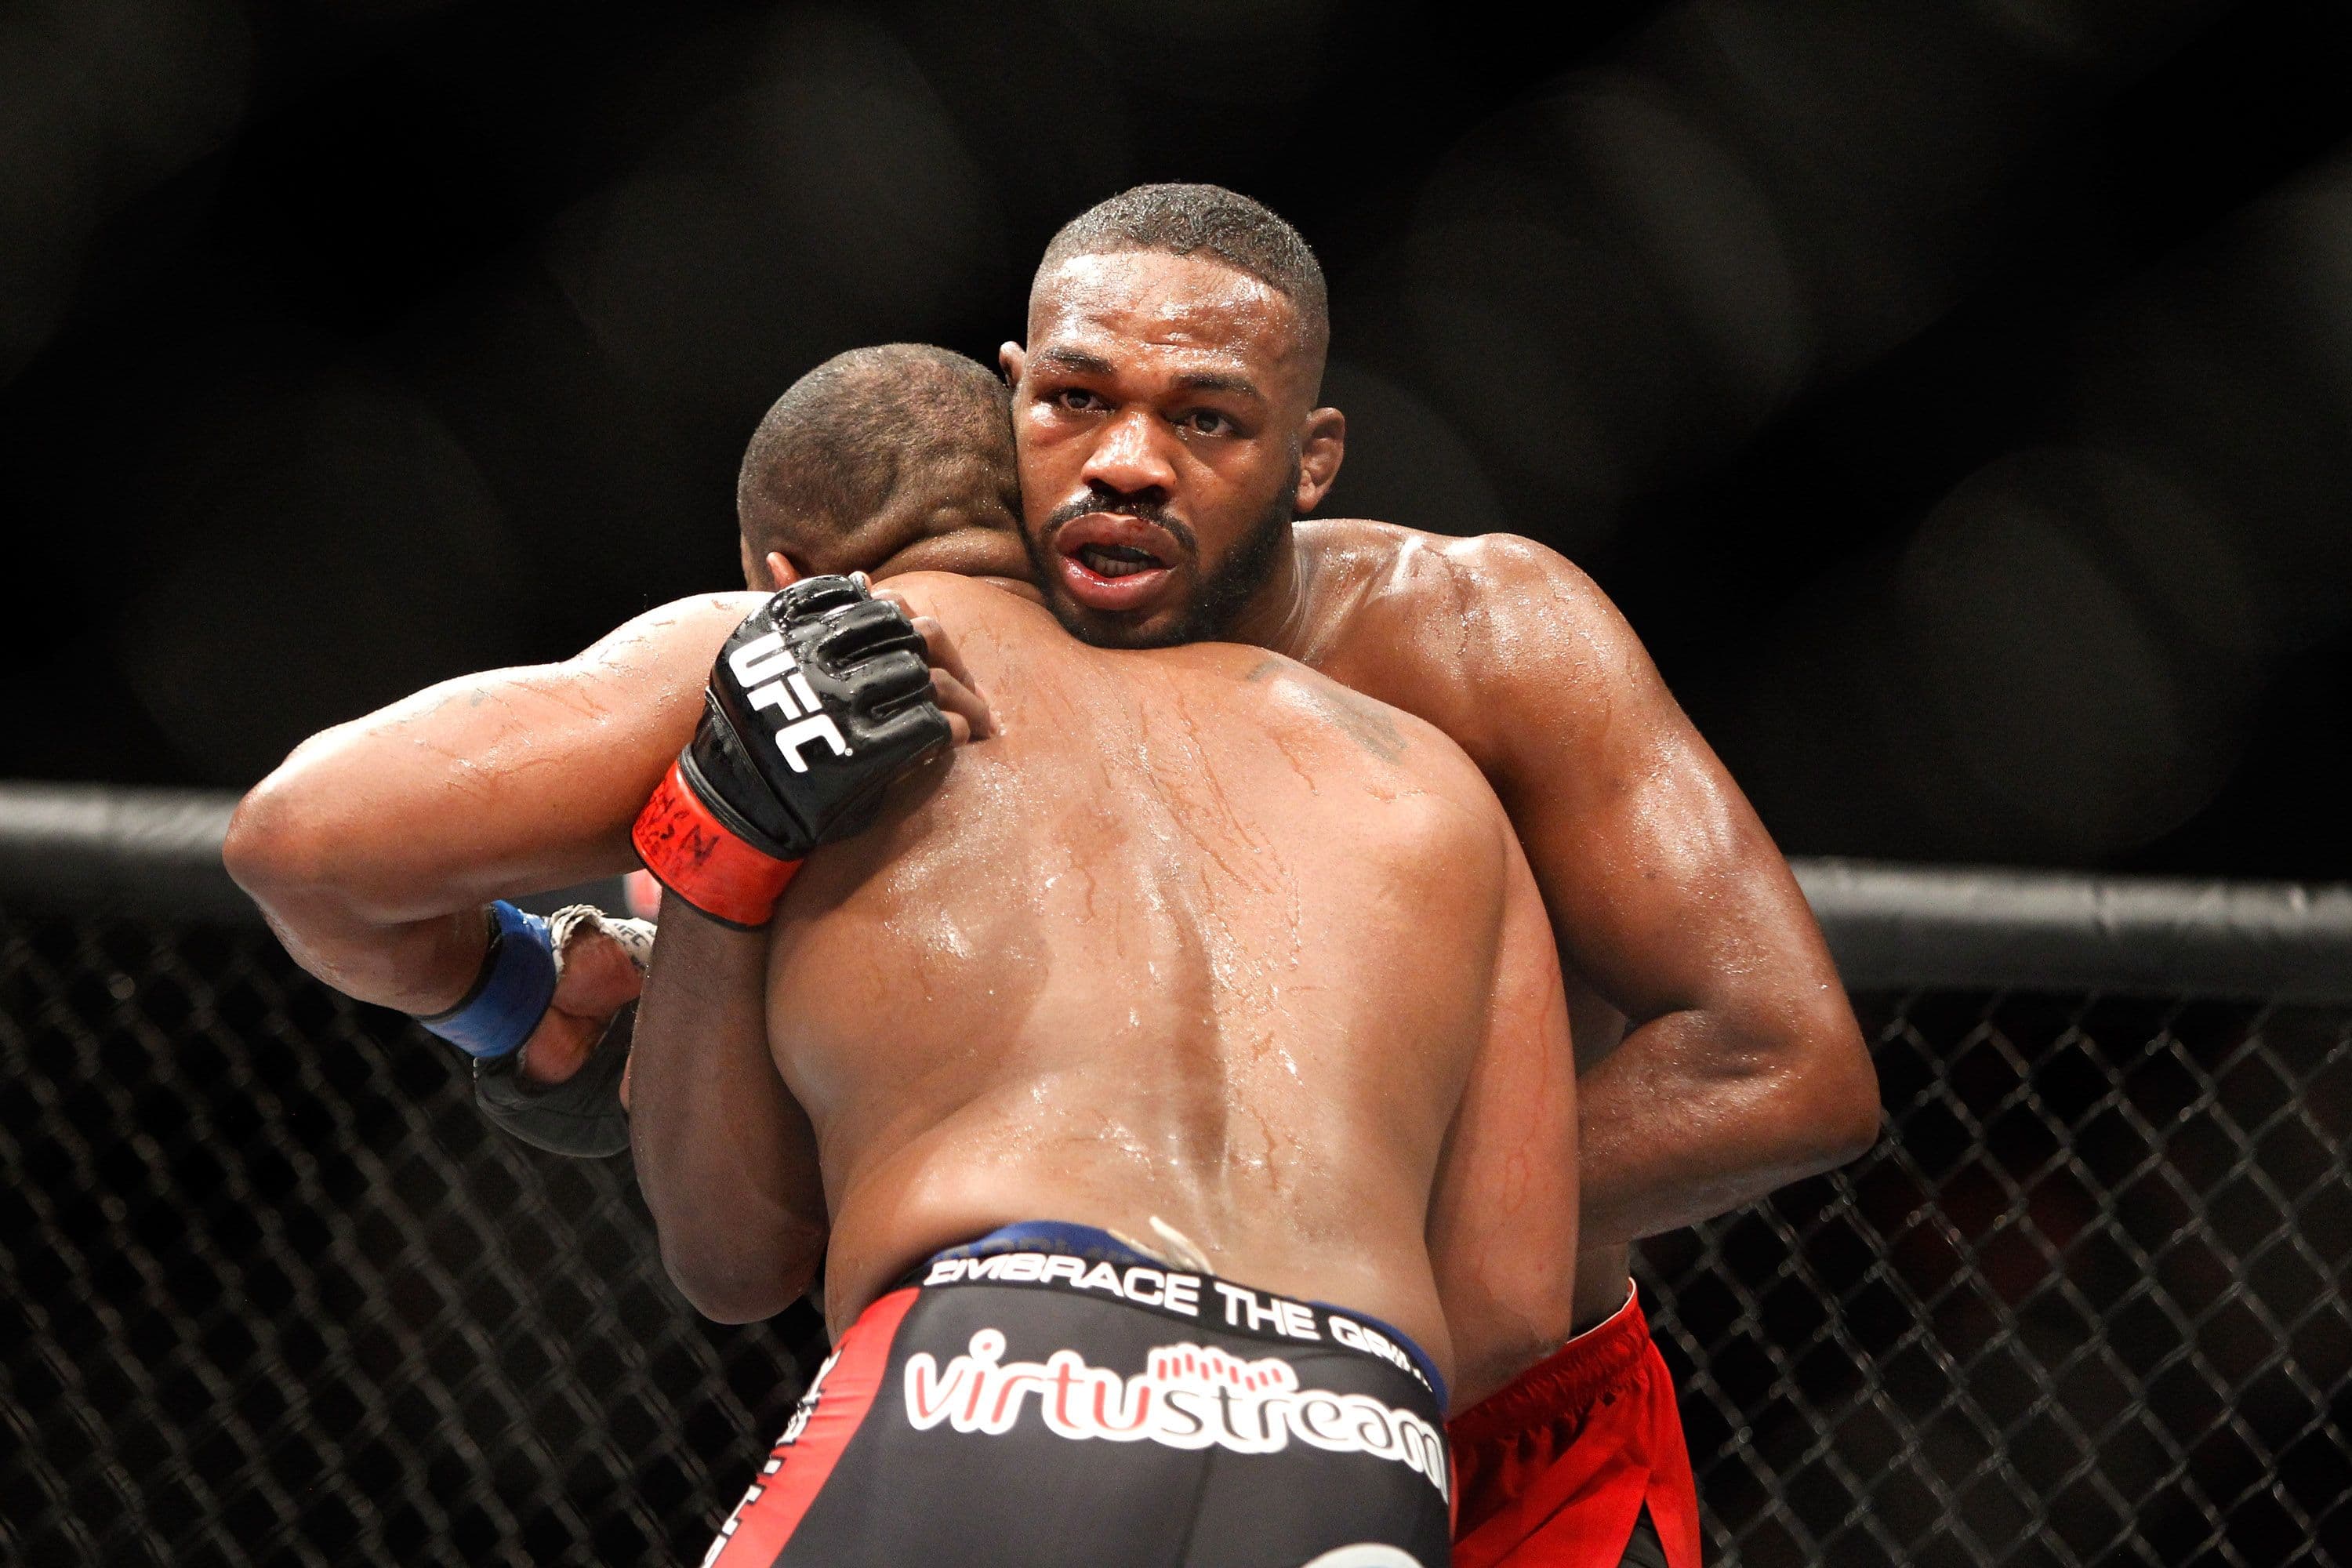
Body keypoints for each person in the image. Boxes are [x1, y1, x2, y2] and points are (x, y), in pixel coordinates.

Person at [230, 545, 1580, 1564]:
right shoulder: (1429, 771)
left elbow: (300, 845)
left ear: (790, 576)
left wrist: (543, 981)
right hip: (1360, 1429)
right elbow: (1516, 1303)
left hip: (1005, 1360)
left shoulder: (802, 660)